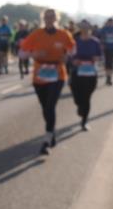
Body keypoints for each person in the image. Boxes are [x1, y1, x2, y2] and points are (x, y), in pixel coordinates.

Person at [20, 8, 75, 155]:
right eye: (46, 17)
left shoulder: (64, 35)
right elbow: (21, 53)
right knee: (45, 108)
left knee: (50, 106)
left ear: (57, 18)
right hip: (39, 76)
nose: (49, 19)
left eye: (52, 17)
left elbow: (73, 49)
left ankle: (47, 139)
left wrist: (67, 57)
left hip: (57, 74)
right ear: (43, 18)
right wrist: (34, 53)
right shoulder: (36, 34)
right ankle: (51, 133)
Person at [69, 19, 102, 131]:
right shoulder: (75, 41)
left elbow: (100, 56)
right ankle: (79, 105)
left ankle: (84, 121)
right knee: (77, 96)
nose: (85, 30)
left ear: (90, 29)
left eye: (87, 28)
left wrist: (96, 58)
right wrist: (74, 61)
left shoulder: (95, 42)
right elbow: (71, 56)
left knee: (87, 97)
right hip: (77, 73)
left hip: (91, 73)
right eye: (82, 28)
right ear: (80, 29)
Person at [99, 17, 113, 86]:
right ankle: (107, 77)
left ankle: (109, 78)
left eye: (111, 22)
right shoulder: (104, 29)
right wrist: (102, 44)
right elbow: (100, 36)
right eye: (109, 22)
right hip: (106, 48)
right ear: (107, 22)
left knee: (111, 62)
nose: (110, 24)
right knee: (106, 63)